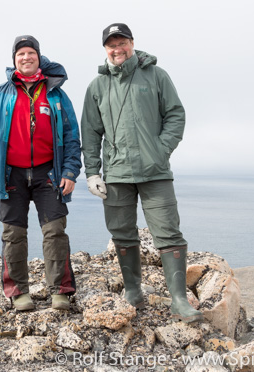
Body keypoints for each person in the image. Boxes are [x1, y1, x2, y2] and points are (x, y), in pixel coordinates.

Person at [81, 23, 203, 323]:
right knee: (122, 232)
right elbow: (90, 132)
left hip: (155, 172)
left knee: (168, 234)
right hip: (117, 173)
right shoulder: (97, 86)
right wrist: (93, 172)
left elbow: (175, 114)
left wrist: (160, 150)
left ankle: (178, 300)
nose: (117, 49)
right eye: (111, 44)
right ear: (105, 49)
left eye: (122, 42)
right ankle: (133, 291)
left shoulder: (156, 75)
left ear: (132, 44)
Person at [0, 35, 81, 311]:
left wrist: (70, 170)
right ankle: (18, 291)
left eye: (30, 53)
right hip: (11, 175)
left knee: (55, 230)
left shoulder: (55, 93)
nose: (25, 57)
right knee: (13, 233)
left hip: (49, 174)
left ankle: (60, 290)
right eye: (20, 54)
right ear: (14, 60)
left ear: (38, 57)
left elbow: (71, 136)